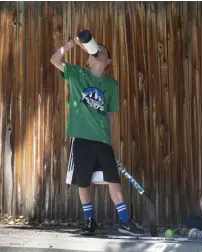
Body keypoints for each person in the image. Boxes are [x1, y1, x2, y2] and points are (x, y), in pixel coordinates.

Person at [50, 37, 145, 236]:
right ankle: (89, 221)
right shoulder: (77, 74)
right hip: (81, 138)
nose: (98, 52)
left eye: (102, 51)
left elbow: (110, 114)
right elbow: (54, 59)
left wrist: (109, 141)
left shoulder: (111, 84)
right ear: (88, 60)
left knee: (114, 180)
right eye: (95, 50)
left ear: (108, 62)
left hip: (102, 140)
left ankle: (126, 221)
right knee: (83, 182)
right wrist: (71, 43)